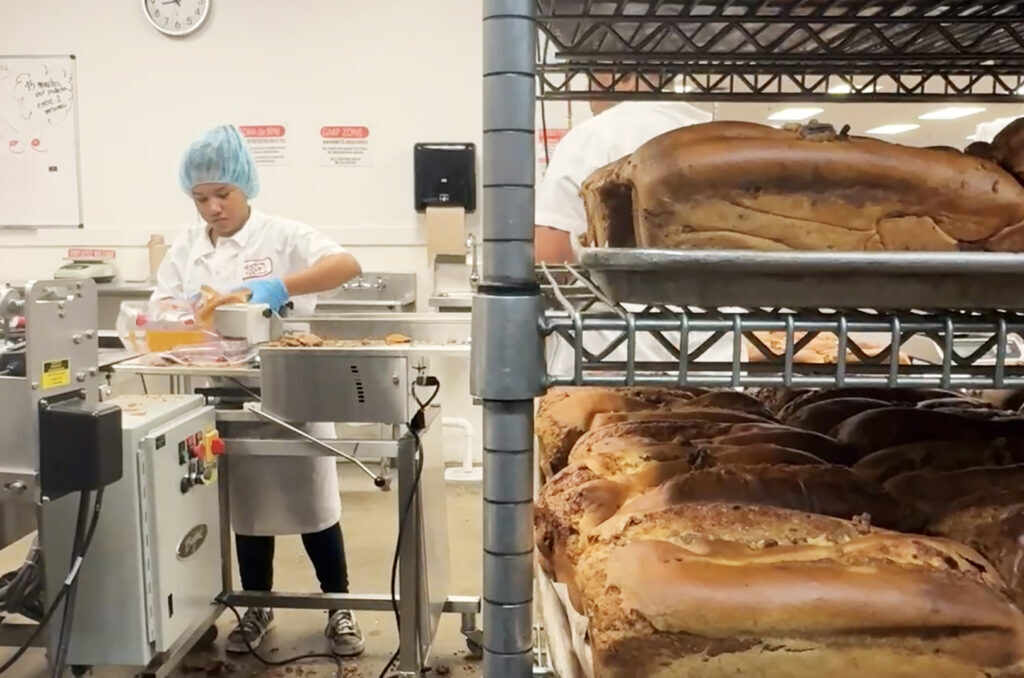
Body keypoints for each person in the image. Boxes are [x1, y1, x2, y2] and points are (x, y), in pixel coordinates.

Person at [151, 124, 366, 656]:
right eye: (201, 198)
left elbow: (346, 265)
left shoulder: (281, 235)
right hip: (223, 393)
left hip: (291, 390)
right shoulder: (187, 247)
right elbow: (162, 306)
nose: (212, 208)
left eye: (222, 194)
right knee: (246, 508)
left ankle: (339, 605)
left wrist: (278, 286)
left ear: (244, 184)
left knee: (314, 505)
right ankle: (257, 604)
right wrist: (177, 316)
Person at [535, 74, 741, 373]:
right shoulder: (717, 136)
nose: (587, 90)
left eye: (593, 75)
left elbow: (550, 259)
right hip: (712, 354)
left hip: (610, 356)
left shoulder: (593, 136)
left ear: (627, 77)